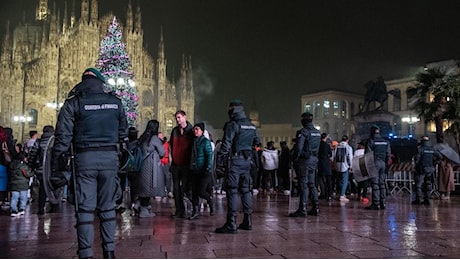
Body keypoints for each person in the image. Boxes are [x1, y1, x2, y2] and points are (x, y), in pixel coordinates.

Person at [51, 68, 128, 259]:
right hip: (110, 159)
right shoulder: (115, 102)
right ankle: (109, 253)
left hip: (84, 159)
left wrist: (56, 167)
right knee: (108, 207)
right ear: (100, 82)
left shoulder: (73, 103)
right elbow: (124, 133)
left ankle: (86, 255)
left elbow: (63, 137)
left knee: (85, 209)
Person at [215, 99, 260, 233]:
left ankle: (231, 222)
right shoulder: (252, 126)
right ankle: (248, 220)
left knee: (232, 190)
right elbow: (257, 143)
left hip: (234, 161)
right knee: (246, 190)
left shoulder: (232, 125)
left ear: (232, 110)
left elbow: (226, 145)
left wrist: (220, 163)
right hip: (247, 162)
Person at [288, 112, 321, 217]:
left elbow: (298, 148)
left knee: (303, 184)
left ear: (303, 120)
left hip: (304, 161)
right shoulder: (317, 132)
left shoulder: (303, 132)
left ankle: (302, 208)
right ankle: (316, 207)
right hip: (314, 160)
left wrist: (294, 158)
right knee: (312, 184)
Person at [135, 120, 165, 217]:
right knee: (149, 188)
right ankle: (144, 211)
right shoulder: (154, 138)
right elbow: (162, 152)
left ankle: (138, 204)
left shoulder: (143, 138)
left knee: (143, 188)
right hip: (151, 167)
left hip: (142, 167)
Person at [169, 110, 194, 218]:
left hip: (186, 165)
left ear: (185, 117)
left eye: (179, 117)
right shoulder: (174, 131)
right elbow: (171, 146)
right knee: (175, 188)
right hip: (175, 164)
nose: (177, 120)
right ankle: (179, 210)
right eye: (176, 118)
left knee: (186, 188)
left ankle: (194, 207)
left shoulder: (191, 131)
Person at [28, 125, 58, 215]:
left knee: (42, 189)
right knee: (54, 187)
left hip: (42, 169)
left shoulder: (39, 142)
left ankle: (41, 208)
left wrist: (31, 165)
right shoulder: (56, 141)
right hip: (53, 169)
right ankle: (54, 207)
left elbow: (33, 155)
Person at [189, 122, 214, 219]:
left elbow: (209, 156)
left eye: (197, 129)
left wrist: (207, 168)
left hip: (203, 171)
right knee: (194, 192)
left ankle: (210, 201)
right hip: (194, 170)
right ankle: (195, 211)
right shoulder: (193, 141)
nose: (195, 131)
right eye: (194, 129)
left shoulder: (205, 142)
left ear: (202, 131)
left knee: (201, 191)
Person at [365, 125, 391, 210]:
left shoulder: (371, 141)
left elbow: (367, 155)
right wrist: (387, 165)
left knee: (375, 184)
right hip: (383, 163)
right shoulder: (386, 141)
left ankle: (376, 204)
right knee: (382, 184)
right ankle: (383, 203)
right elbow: (388, 155)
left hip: (374, 163)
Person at [412, 136, 441, 205]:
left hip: (421, 169)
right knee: (428, 184)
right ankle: (427, 199)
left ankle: (418, 199)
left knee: (418, 185)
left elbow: (417, 159)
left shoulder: (420, 149)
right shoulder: (432, 149)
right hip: (430, 169)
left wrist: (415, 167)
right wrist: (434, 163)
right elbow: (440, 157)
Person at [8, 151, 33, 217]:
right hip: (23, 185)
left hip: (13, 185)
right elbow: (28, 174)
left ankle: (13, 210)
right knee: (23, 198)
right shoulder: (24, 166)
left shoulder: (12, 164)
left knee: (14, 198)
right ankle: (21, 209)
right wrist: (33, 172)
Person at [332, 135, 353, 202]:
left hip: (337, 166)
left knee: (339, 180)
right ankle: (342, 195)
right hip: (345, 166)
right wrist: (351, 166)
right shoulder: (348, 147)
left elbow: (333, 156)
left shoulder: (337, 146)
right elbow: (350, 157)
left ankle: (342, 193)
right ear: (347, 140)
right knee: (345, 181)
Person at [317, 133, 332, 201]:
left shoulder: (318, 145)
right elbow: (330, 154)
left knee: (321, 180)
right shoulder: (327, 145)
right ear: (326, 138)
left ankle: (323, 193)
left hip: (320, 164)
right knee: (328, 180)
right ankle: (329, 195)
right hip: (326, 164)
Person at [158, 132, 172, 199]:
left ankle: (168, 190)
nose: (160, 137)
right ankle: (161, 191)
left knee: (167, 177)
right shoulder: (157, 144)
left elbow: (169, 153)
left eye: (161, 136)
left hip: (166, 162)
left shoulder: (167, 144)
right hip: (159, 162)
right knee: (160, 177)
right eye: (159, 136)